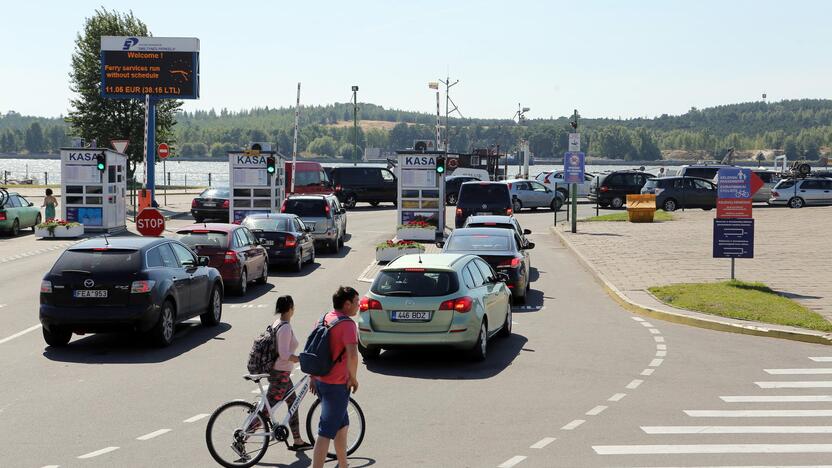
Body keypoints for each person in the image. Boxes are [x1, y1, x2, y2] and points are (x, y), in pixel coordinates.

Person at [311, 286, 360, 468]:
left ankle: (343, 465)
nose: (359, 305)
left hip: (322, 381)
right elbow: (353, 355)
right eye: (356, 302)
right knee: (325, 432)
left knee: (342, 427)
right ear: (346, 304)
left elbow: (313, 350)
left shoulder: (324, 318)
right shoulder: (347, 324)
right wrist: (353, 378)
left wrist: (312, 376)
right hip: (337, 385)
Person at [265, 296, 312, 451]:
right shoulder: (285, 327)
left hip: (280, 372)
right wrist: (299, 359)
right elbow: (284, 354)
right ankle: (243, 436)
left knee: (293, 403)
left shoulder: (278, 323)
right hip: (281, 374)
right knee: (267, 410)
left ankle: (297, 440)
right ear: (291, 308)